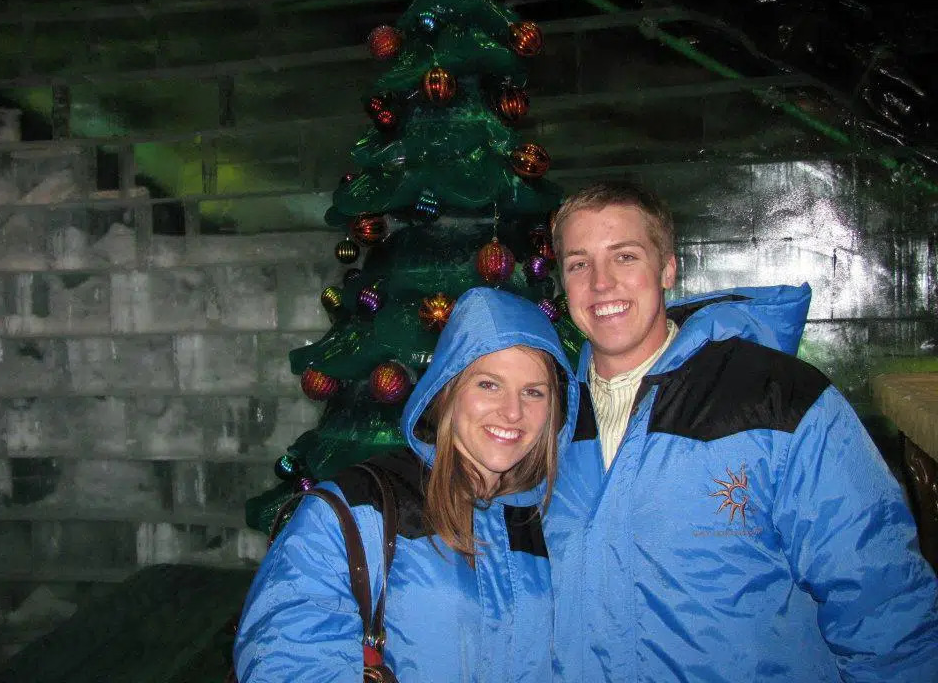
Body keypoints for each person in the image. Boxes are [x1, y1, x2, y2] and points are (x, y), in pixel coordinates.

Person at [544, 181, 938, 682]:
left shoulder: (779, 398)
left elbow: (882, 603)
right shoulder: (544, 420)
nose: (601, 283)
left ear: (667, 269)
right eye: (579, 264)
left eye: (624, 256)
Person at [233, 287, 579, 682]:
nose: (513, 411)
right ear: (446, 391)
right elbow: (285, 663)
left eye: (533, 392)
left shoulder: (554, 519)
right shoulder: (356, 507)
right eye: (489, 384)